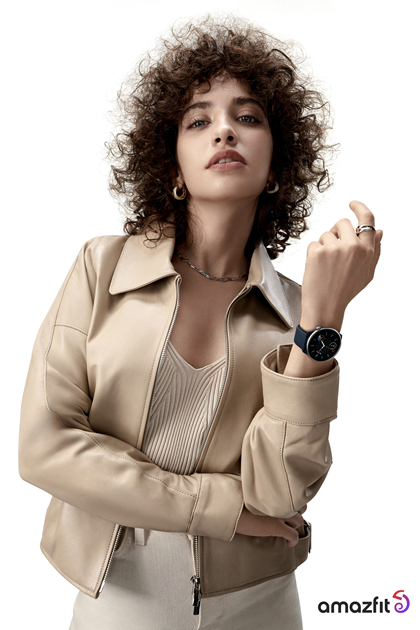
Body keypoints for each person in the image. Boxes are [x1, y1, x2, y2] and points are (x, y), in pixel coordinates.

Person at [18, 15, 382, 630]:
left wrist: (322, 320)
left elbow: (280, 495)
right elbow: (44, 450)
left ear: (276, 168)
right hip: (121, 600)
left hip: (262, 602)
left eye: (248, 117)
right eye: (198, 121)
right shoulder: (101, 268)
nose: (224, 130)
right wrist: (217, 505)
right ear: (173, 169)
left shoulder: (296, 312)